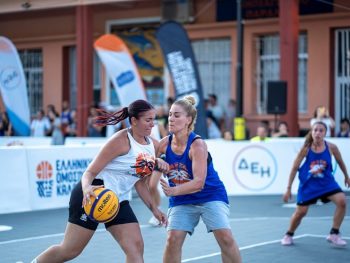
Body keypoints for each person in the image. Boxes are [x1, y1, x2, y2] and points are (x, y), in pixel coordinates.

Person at [31, 99, 168, 263]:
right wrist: (87, 188)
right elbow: (89, 172)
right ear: (133, 121)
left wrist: (154, 209)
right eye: (148, 120)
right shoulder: (120, 141)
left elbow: (139, 182)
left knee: (136, 247)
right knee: (69, 250)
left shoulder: (152, 144)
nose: (152, 124)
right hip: (94, 194)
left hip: (117, 200)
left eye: (154, 119)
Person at [154, 96, 241, 263]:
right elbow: (150, 175)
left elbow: (198, 183)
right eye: (170, 114)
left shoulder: (197, 145)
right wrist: (155, 163)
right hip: (182, 199)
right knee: (172, 240)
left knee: (225, 238)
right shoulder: (163, 145)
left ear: (188, 120)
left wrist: (173, 191)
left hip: (210, 195)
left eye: (177, 115)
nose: (171, 118)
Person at [281, 121, 350, 247]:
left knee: (342, 201)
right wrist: (288, 188)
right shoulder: (306, 149)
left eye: (321, 130)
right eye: (315, 130)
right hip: (309, 185)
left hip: (327, 183)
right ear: (311, 132)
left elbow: (340, 162)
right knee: (301, 212)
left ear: (325, 133)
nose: (318, 133)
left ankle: (334, 233)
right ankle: (289, 234)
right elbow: (294, 167)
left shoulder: (332, 147)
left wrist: (347, 176)